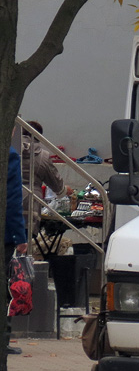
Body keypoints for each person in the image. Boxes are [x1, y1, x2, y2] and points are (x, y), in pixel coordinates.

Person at [20, 121, 71, 237]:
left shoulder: (8, 148)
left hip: (7, 200)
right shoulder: (43, 156)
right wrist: (65, 190)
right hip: (29, 204)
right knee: (23, 242)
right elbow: (57, 186)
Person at [5, 144, 28, 355]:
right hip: (3, 235)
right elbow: (12, 199)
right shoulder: (9, 154)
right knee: (5, 289)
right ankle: (3, 340)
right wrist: (19, 236)